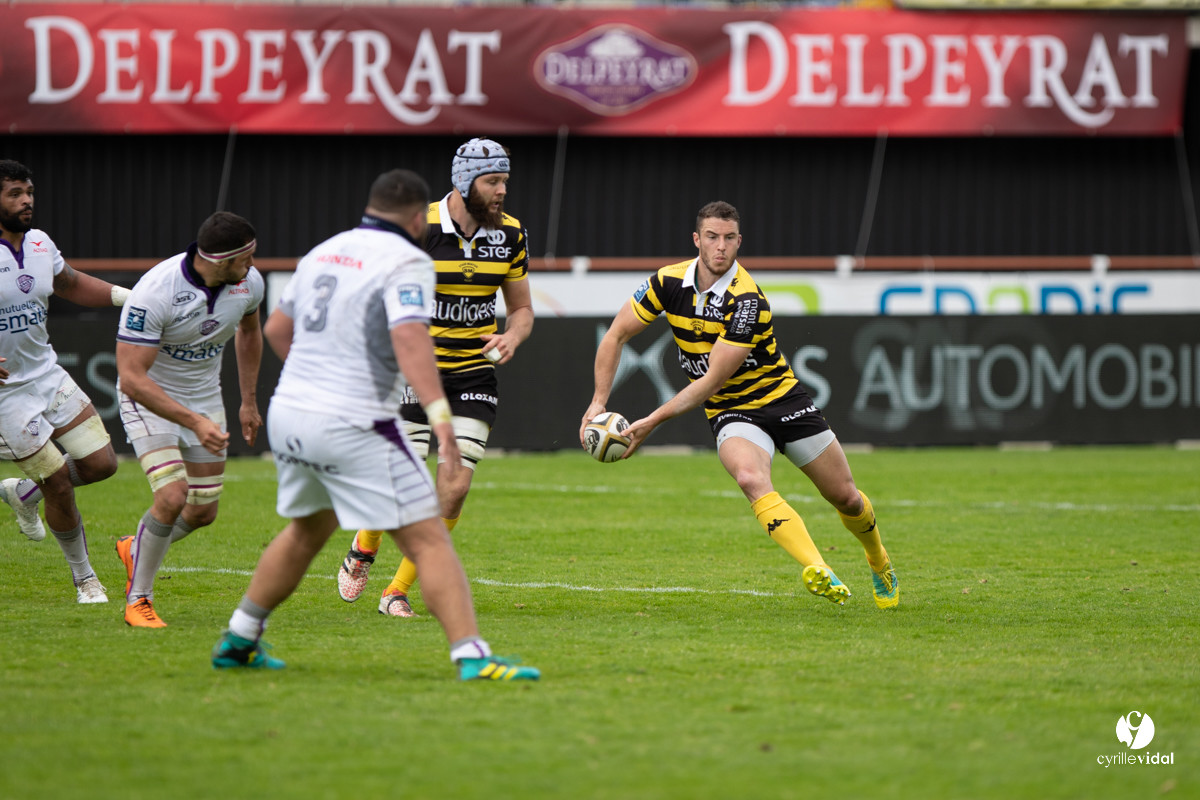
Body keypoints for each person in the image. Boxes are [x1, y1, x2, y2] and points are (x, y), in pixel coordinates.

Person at [211, 168, 539, 681]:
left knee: (307, 530)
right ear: (417, 218)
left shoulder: (326, 250)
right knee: (429, 538)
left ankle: (239, 637)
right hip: (352, 417)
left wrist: (315, 376)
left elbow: (277, 329)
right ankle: (473, 656)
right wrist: (439, 415)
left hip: (292, 410)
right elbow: (410, 340)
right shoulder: (407, 259)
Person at [580, 201, 899, 609]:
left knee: (846, 498)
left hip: (782, 400)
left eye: (729, 238)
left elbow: (711, 379)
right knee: (750, 478)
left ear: (739, 242)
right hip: (732, 410)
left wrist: (652, 421)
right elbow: (615, 336)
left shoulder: (747, 299)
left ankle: (878, 559)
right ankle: (817, 567)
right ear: (696, 240)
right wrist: (598, 402)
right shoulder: (666, 282)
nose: (721, 246)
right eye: (712, 237)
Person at [335, 137, 534, 618]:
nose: (502, 191)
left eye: (505, 181)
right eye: (492, 181)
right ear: (463, 182)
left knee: (455, 487)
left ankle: (396, 591)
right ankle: (364, 545)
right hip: (412, 370)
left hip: (473, 374)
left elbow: (522, 308)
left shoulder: (510, 234)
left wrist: (512, 335)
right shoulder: (415, 228)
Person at [113, 211, 264, 628]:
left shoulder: (248, 282)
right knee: (172, 496)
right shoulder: (156, 292)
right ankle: (138, 601)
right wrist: (195, 423)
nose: (253, 265)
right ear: (220, 260)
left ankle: (135, 546)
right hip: (148, 397)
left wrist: (248, 402)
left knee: (202, 512)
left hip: (205, 399)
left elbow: (250, 332)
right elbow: (132, 377)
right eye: (245, 258)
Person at [0, 159, 127, 604]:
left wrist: (129, 298)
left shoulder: (39, 242)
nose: (27, 200)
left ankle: (23, 494)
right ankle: (85, 579)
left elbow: (70, 283)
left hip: (48, 375)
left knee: (102, 464)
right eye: (15, 193)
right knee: (57, 481)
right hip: (6, 396)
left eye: (29, 192)